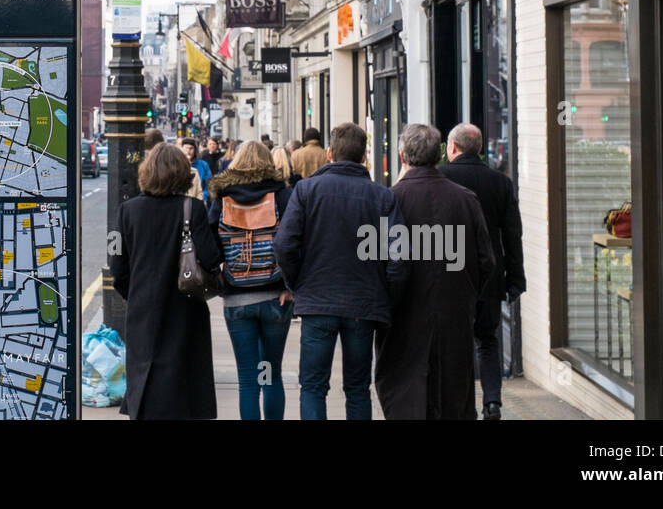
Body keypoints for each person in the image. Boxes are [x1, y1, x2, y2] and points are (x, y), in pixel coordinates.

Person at [274, 123, 398, 420]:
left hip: (318, 301)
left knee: (313, 386)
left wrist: (297, 283)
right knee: (357, 387)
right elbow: (399, 257)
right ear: (365, 156)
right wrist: (387, 295)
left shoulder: (306, 191)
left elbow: (284, 244)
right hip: (363, 303)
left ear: (330, 153)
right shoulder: (382, 197)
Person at [374, 124, 495, 420]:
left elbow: (378, 262)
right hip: (454, 313)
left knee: (405, 393)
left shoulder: (390, 200)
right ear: (439, 153)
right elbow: (486, 260)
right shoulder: (466, 199)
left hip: (403, 317)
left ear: (402, 155)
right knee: (453, 393)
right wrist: (467, 294)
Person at [111, 141, 223, 419]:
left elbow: (117, 266)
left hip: (143, 310)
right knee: (183, 387)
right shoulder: (193, 209)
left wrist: (134, 294)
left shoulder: (127, 211)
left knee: (146, 382)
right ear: (182, 173)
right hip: (185, 308)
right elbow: (210, 258)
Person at [439, 123, 526, 420]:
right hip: (489, 273)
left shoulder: (441, 177)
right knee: (487, 339)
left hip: (451, 273)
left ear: (452, 147)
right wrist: (516, 279)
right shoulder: (500, 183)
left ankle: (462, 404)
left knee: (456, 342)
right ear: (478, 149)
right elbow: (513, 235)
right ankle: (492, 401)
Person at [206, 140, 294, 420]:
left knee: (247, 379)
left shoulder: (223, 198)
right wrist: (291, 286)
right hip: (274, 297)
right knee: (269, 374)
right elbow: (295, 244)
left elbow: (210, 247)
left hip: (237, 299)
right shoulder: (282, 196)